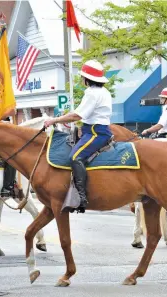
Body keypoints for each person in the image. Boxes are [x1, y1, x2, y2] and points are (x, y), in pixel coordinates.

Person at [44, 60, 112, 212]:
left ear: (87, 79)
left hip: (96, 133)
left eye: (83, 77)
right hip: (92, 130)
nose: (82, 79)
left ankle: (81, 197)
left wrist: (54, 120)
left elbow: (77, 115)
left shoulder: (92, 93)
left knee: (75, 157)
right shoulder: (103, 92)